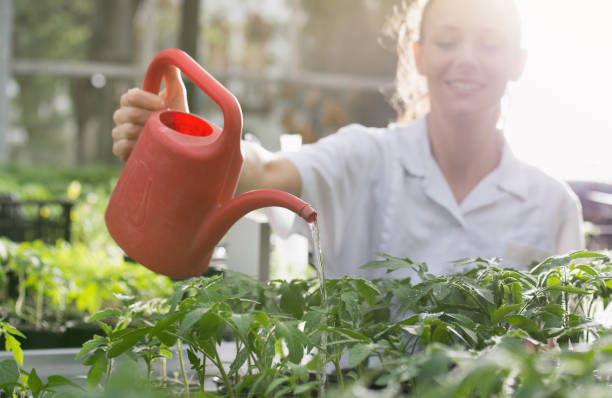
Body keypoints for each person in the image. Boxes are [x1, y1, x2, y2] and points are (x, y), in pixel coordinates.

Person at [111, 0, 584, 281]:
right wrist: (190, 144)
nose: (467, 59)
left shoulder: (550, 205)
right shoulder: (364, 157)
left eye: (490, 44)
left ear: (518, 61)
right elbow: (264, 172)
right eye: (447, 41)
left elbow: (564, 354)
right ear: (417, 56)